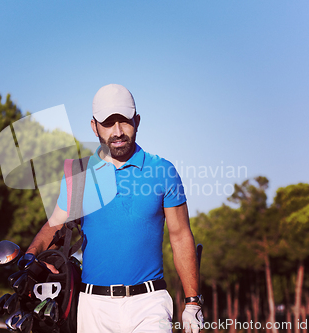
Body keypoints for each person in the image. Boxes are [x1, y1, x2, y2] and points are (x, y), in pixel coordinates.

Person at [27, 84, 203, 333]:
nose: (118, 132)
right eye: (108, 123)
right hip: (92, 307)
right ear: (94, 127)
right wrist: (31, 256)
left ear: (137, 121)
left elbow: (181, 236)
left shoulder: (163, 171)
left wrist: (192, 302)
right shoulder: (80, 175)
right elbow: (55, 226)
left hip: (150, 303)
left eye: (125, 122)